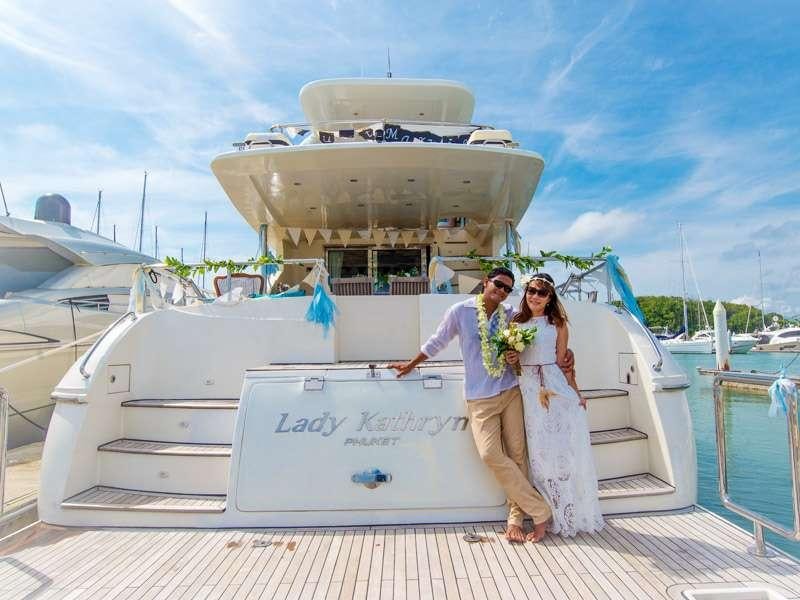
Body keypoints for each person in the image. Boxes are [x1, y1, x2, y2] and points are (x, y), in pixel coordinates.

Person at [390, 267, 568, 543]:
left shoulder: (510, 315)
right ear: (486, 282)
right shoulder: (460, 311)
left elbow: (536, 338)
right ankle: (540, 510)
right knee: (490, 454)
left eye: (508, 288)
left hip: (510, 391)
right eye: (498, 284)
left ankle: (515, 520)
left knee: (518, 455)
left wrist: (564, 358)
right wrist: (411, 364)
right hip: (479, 397)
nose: (502, 291)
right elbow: (437, 341)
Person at [505, 273, 604, 539]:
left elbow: (564, 365)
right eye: (531, 291)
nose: (534, 296)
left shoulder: (558, 325)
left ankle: (565, 513)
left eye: (541, 292)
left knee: (558, 452)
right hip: (527, 389)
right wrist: (512, 357)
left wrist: (577, 393)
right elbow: (512, 363)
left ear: (550, 298)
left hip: (553, 388)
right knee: (537, 456)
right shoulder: (515, 322)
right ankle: (543, 513)